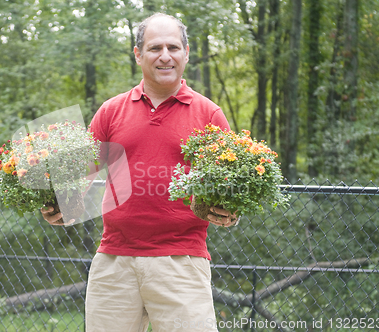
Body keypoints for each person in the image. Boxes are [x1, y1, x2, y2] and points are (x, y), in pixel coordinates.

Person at [42, 13, 238, 332]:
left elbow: (231, 189)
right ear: (138, 54)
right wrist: (61, 205)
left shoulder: (209, 114)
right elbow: (83, 178)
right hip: (114, 261)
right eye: (154, 47)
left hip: (182, 262)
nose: (165, 56)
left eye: (173, 47)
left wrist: (231, 211)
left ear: (186, 53)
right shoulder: (110, 112)